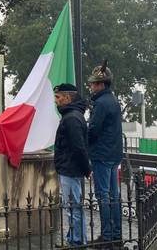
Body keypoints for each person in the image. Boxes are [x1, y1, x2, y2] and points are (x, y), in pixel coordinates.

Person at [88, 62, 123, 247]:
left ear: (101, 84)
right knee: (113, 195)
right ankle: (116, 234)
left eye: (94, 83)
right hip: (113, 154)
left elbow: (94, 130)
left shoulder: (101, 103)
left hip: (101, 154)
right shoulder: (114, 100)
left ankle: (107, 237)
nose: (91, 86)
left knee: (103, 196)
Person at [53, 83, 91, 248]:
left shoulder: (72, 118)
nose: (56, 100)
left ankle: (77, 241)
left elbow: (78, 147)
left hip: (70, 168)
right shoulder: (72, 116)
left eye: (58, 97)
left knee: (73, 206)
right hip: (69, 166)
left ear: (68, 98)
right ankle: (73, 238)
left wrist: (86, 169)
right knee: (71, 206)